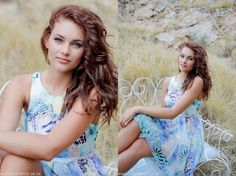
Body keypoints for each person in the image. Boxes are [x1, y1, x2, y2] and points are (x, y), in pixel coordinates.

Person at [0, 4, 117, 176]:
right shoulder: (21, 85)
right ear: (47, 40)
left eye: (76, 44)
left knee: (17, 160)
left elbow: (49, 148)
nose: (65, 51)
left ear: (87, 50)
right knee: (14, 159)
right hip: (34, 168)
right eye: (59, 40)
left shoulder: (90, 93)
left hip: (75, 171)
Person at [118, 41, 212, 175]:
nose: (184, 61)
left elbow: (172, 112)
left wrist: (137, 108)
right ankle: (109, 163)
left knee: (139, 142)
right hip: (167, 129)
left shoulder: (197, 81)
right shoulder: (168, 81)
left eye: (190, 58)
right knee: (140, 119)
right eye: (182, 56)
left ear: (196, 62)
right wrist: (137, 112)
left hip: (184, 136)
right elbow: (162, 108)